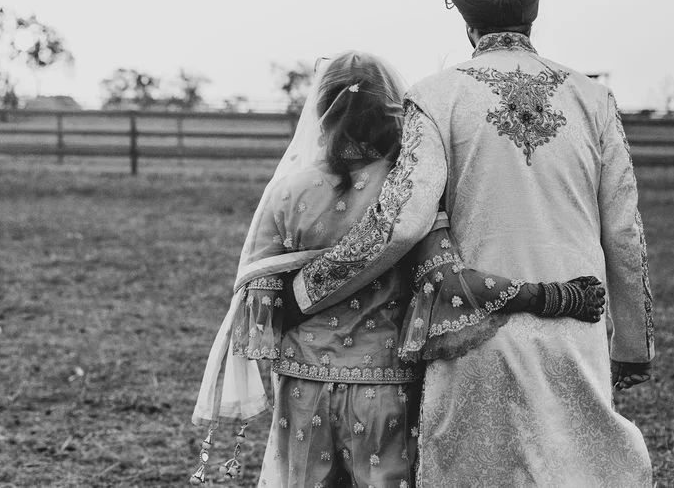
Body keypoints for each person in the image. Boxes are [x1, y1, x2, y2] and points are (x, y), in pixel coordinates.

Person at [294, 0, 654, 486]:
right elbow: (623, 232)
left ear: (464, 18)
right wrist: (630, 344)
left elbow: (403, 219)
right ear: (534, 10)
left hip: (475, 335)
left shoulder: (437, 96)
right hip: (576, 328)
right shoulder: (593, 98)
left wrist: (310, 287)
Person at [191, 51, 607, 487]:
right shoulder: (410, 191)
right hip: (382, 390)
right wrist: (554, 295)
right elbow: (450, 282)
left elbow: (260, 299)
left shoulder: (288, 192)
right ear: (393, 111)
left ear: (320, 113)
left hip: (301, 387)